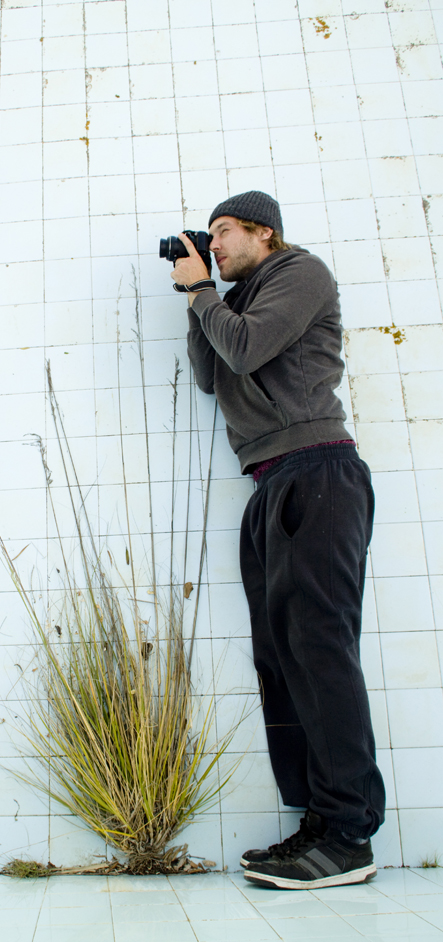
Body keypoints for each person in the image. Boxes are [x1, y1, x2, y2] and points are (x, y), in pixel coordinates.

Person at [171, 190, 385, 890]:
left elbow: (245, 349)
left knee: (319, 650)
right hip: (268, 484)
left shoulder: (298, 273)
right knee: (284, 659)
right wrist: (196, 296)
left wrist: (204, 290)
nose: (216, 244)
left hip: (317, 471)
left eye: (224, 232)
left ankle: (349, 834)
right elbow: (211, 374)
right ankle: (318, 825)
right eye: (209, 237)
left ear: (265, 231)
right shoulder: (228, 299)